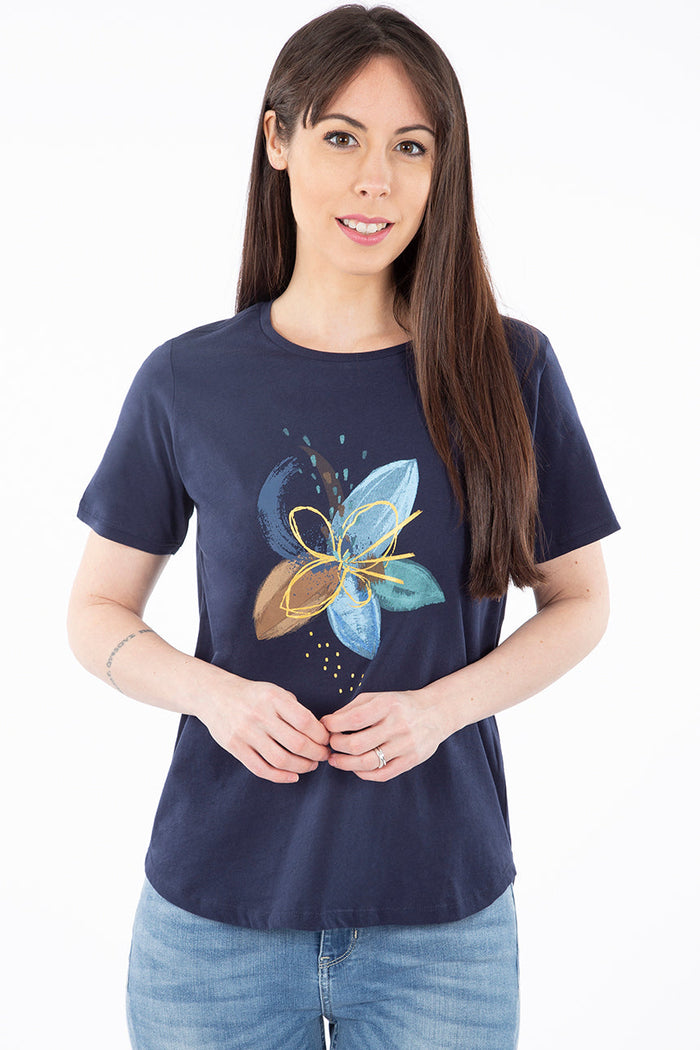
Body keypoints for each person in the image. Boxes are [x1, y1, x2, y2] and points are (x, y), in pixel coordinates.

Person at [67, 5, 620, 1048]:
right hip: (213, 921)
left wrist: (439, 710)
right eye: (341, 137)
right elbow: (95, 610)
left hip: (442, 920)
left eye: (411, 147)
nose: (376, 180)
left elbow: (580, 602)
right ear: (277, 140)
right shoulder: (186, 380)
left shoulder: (511, 370)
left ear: (442, 169)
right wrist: (213, 695)